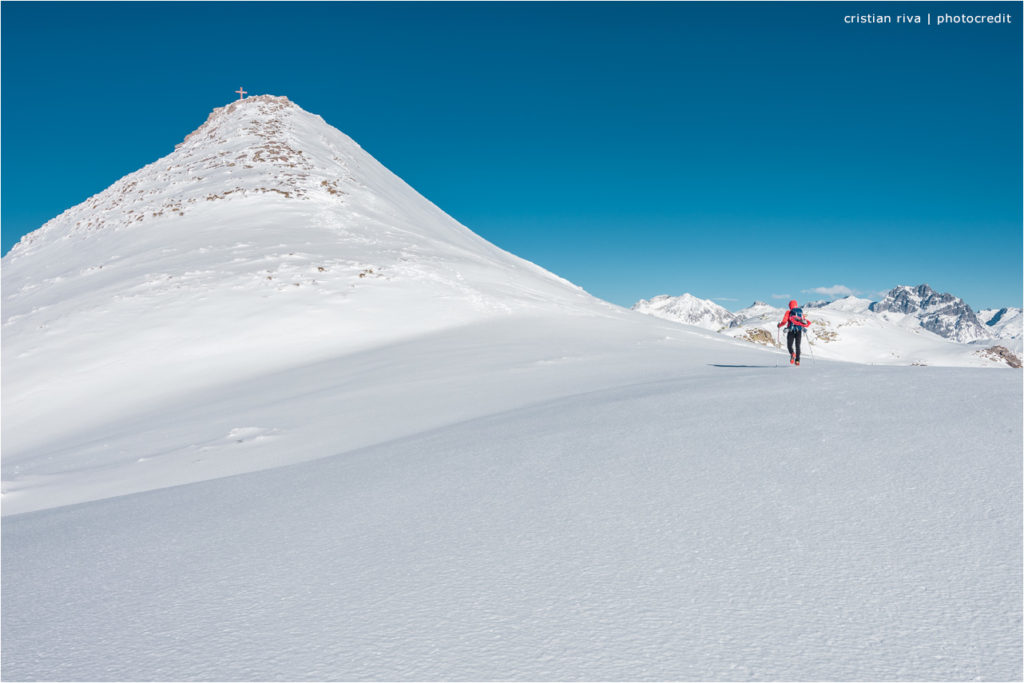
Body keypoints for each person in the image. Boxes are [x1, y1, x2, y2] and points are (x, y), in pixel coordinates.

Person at [778, 300, 810, 365]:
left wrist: (779, 325)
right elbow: (802, 321)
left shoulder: (788, 312)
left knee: (789, 345)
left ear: (790, 306)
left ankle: (792, 353)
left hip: (791, 330)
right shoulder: (800, 312)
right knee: (798, 346)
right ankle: (797, 361)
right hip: (799, 330)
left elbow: (784, 322)